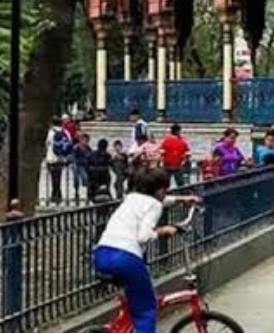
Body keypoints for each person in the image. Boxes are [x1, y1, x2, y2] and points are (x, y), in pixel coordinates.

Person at [92, 167, 201, 333]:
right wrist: (163, 231)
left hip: (102, 254)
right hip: (126, 258)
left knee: (135, 303)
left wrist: (180, 199)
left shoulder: (132, 198)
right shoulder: (155, 205)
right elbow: (143, 236)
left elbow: (157, 201)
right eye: (165, 189)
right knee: (147, 310)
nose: (166, 192)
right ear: (159, 190)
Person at [45, 117, 73, 204]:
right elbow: (69, 143)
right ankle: (58, 194)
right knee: (58, 175)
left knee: (53, 177)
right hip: (62, 158)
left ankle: (55, 195)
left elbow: (47, 143)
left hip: (52, 158)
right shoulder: (66, 132)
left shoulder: (50, 132)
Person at [73, 133, 93, 201]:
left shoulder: (88, 148)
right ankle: (76, 193)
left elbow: (91, 156)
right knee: (76, 180)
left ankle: (88, 193)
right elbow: (73, 157)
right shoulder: (76, 148)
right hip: (77, 165)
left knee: (86, 179)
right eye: (83, 140)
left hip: (84, 166)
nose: (84, 142)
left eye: (86, 140)